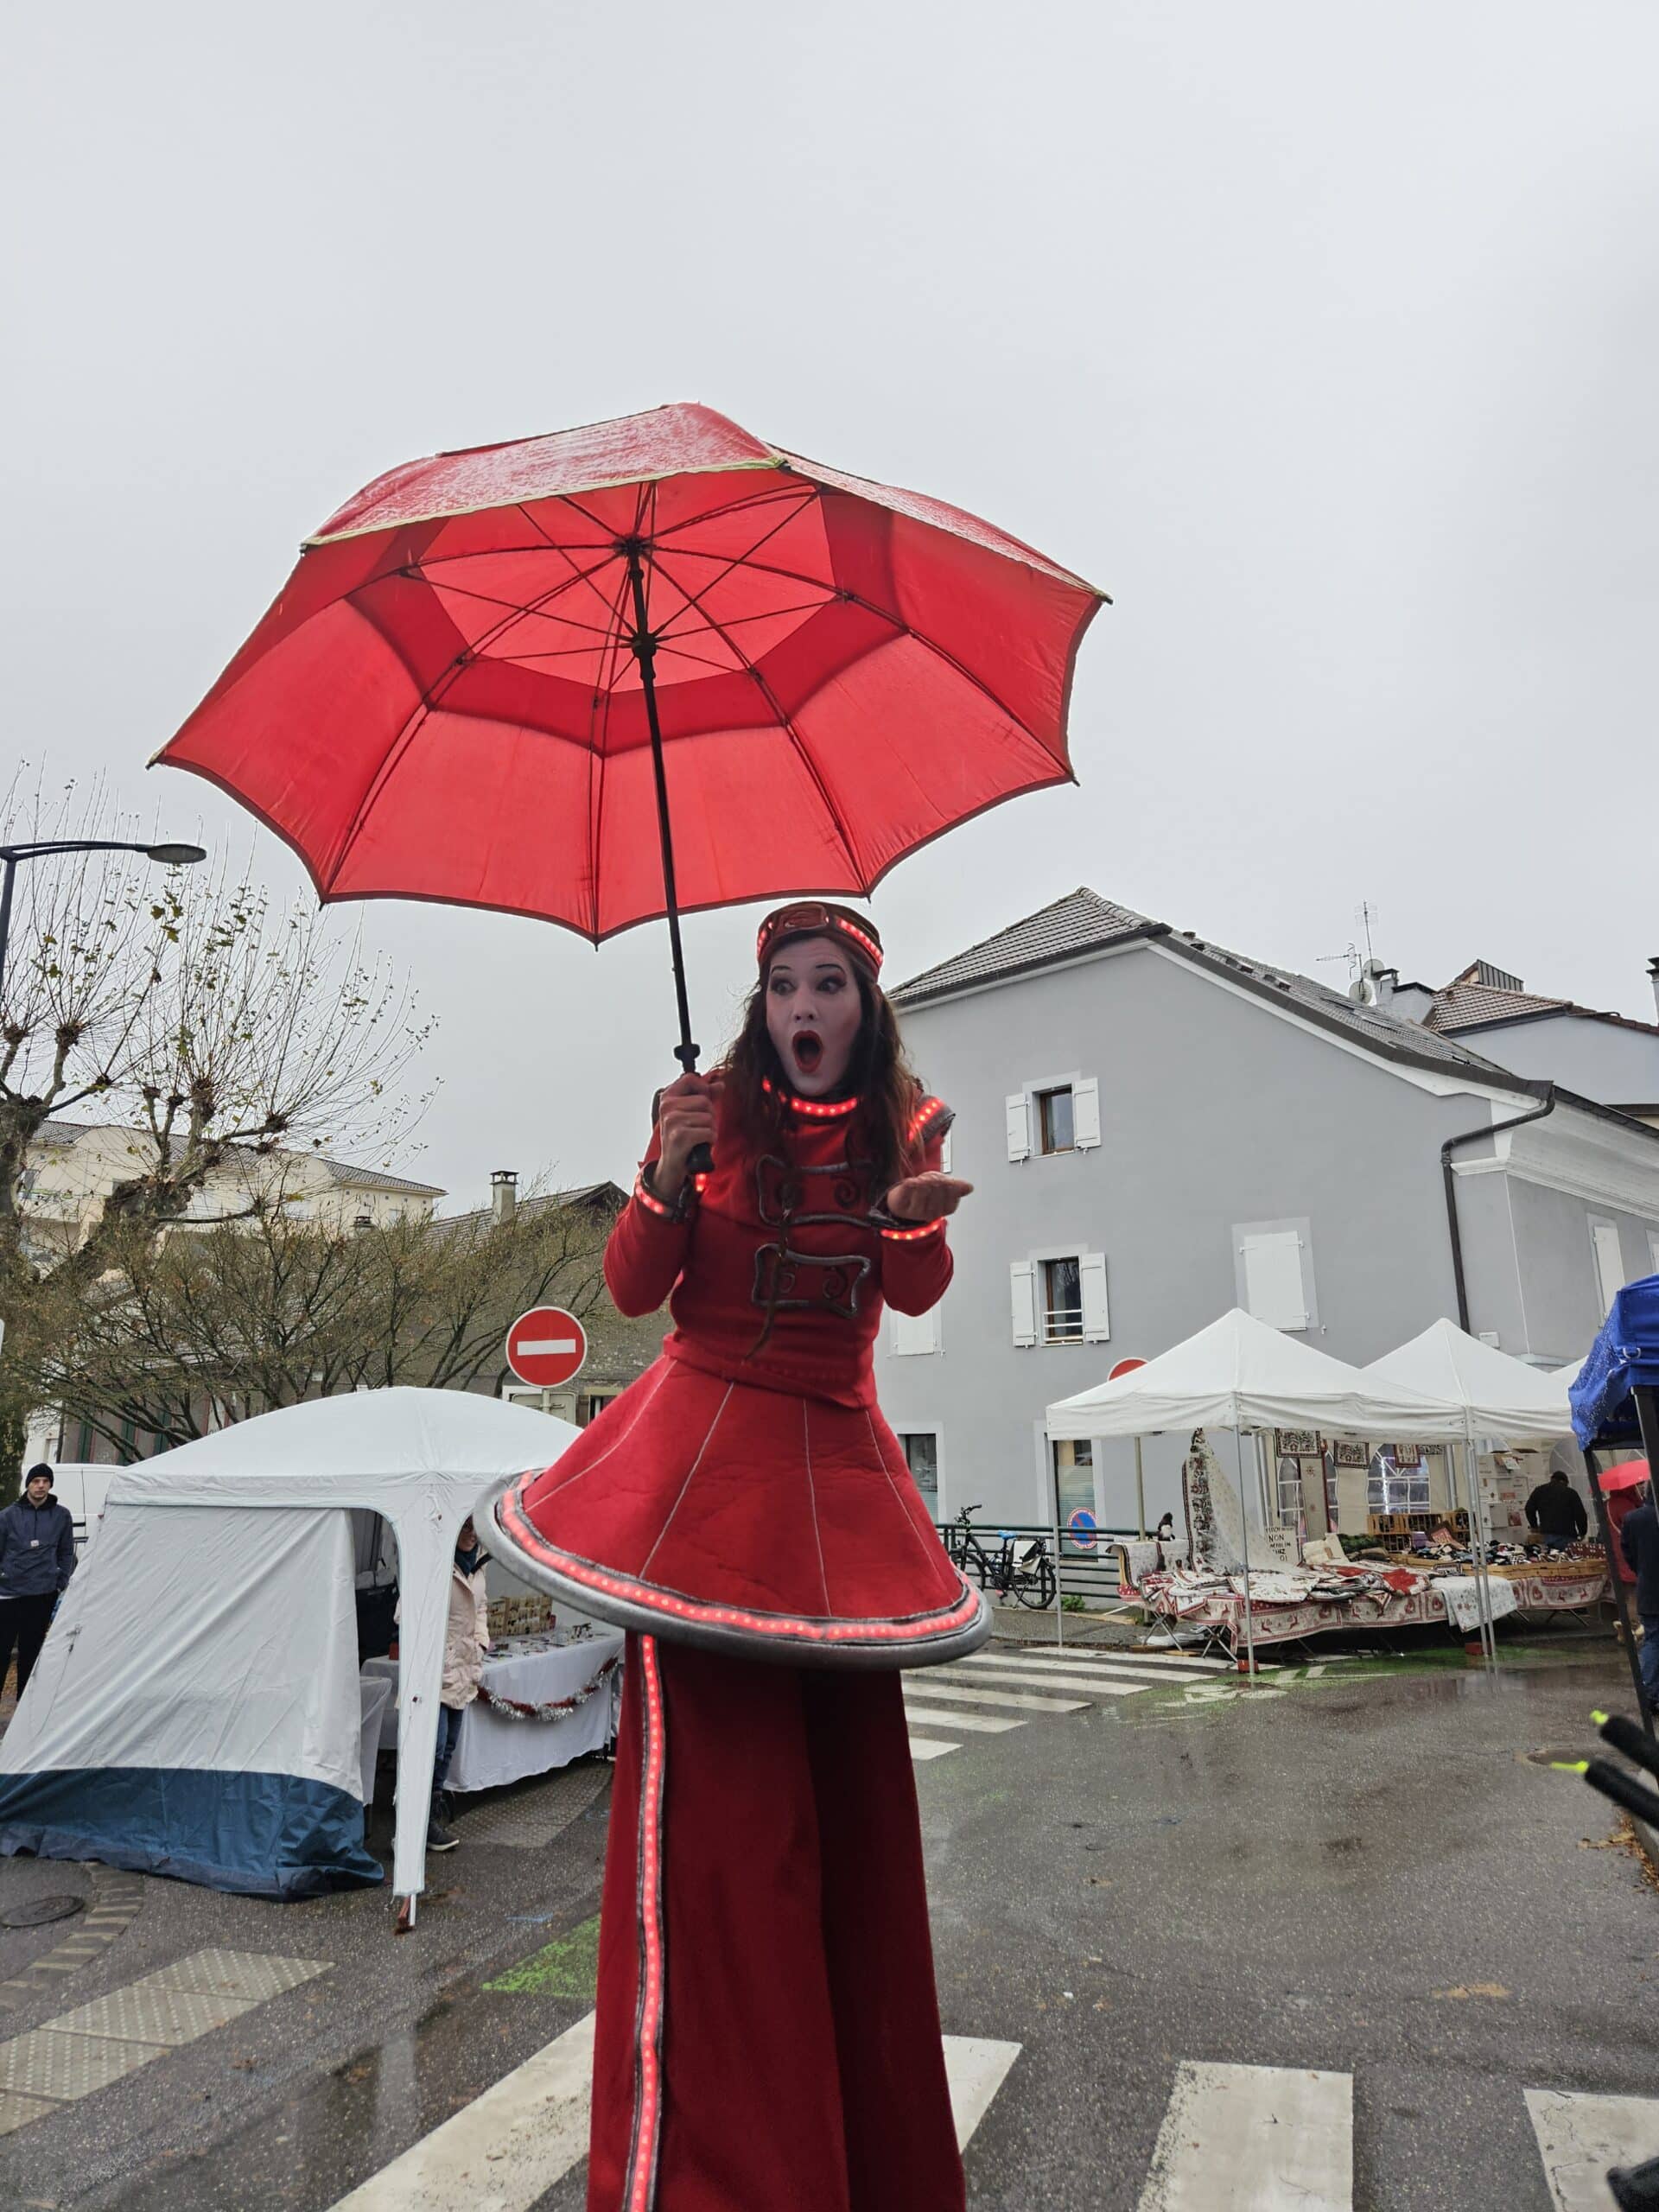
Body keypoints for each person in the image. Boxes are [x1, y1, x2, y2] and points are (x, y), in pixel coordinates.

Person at [489, 901, 985, 2212]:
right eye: (783, 985)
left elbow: (917, 1295)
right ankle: (716, 2178)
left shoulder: (904, 1128)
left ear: (864, 1012)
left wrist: (913, 1224)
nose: (805, 1005)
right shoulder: (703, 1114)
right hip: (700, 1493)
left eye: (828, 984)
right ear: (760, 1009)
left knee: (854, 1840)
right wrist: (665, 1174)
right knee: (712, 1848)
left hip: (835, 1500)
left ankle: (853, 2168)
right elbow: (637, 1292)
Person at [425, 1516, 490, 1854]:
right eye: (465, 1528)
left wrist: (481, 1640)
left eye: (475, 1528)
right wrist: (443, 1650)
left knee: (448, 1747)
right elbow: (407, 1614)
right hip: (436, 1673)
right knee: (430, 1749)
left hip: (463, 1670)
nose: (471, 1535)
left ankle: (430, 1818)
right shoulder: (435, 1563)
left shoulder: (478, 1566)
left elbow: (481, 1608)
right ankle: (415, 1821)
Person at [0, 1465, 77, 1700]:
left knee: (30, 1656)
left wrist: (60, 1580)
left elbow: (66, 1552)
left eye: (45, 1481)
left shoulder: (62, 1516)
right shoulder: (7, 1516)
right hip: (9, 1596)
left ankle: (24, 1714)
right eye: (36, 1481)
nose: (41, 1486)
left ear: (50, 1485)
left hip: (42, 1595)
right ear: (28, 1484)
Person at [1619, 1483, 1659, 1709]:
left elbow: (1628, 1552)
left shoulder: (1634, 1519)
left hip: (1650, 1588)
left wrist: (1642, 1571)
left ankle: (1650, 1693)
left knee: (1653, 1640)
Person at [1525, 1468, 1588, 1548]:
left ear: (1552, 1479)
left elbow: (1529, 1509)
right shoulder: (1571, 1493)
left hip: (1547, 1535)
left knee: (1552, 1558)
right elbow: (1580, 1515)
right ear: (1565, 1482)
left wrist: (1534, 1526)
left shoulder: (1539, 1491)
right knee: (1567, 1559)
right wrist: (1582, 1532)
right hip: (1567, 1535)